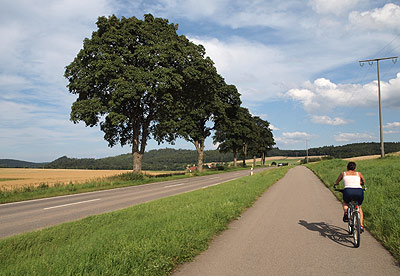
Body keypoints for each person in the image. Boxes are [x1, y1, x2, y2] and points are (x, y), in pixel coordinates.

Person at [334, 161, 366, 232]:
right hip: (359, 192)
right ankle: (361, 225)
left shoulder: (343, 173)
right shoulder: (359, 173)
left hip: (348, 191)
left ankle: (346, 212)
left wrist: (335, 184)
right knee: (359, 207)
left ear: (347, 168)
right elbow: (363, 182)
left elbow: (337, 182)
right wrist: (361, 183)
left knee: (345, 202)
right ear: (355, 168)